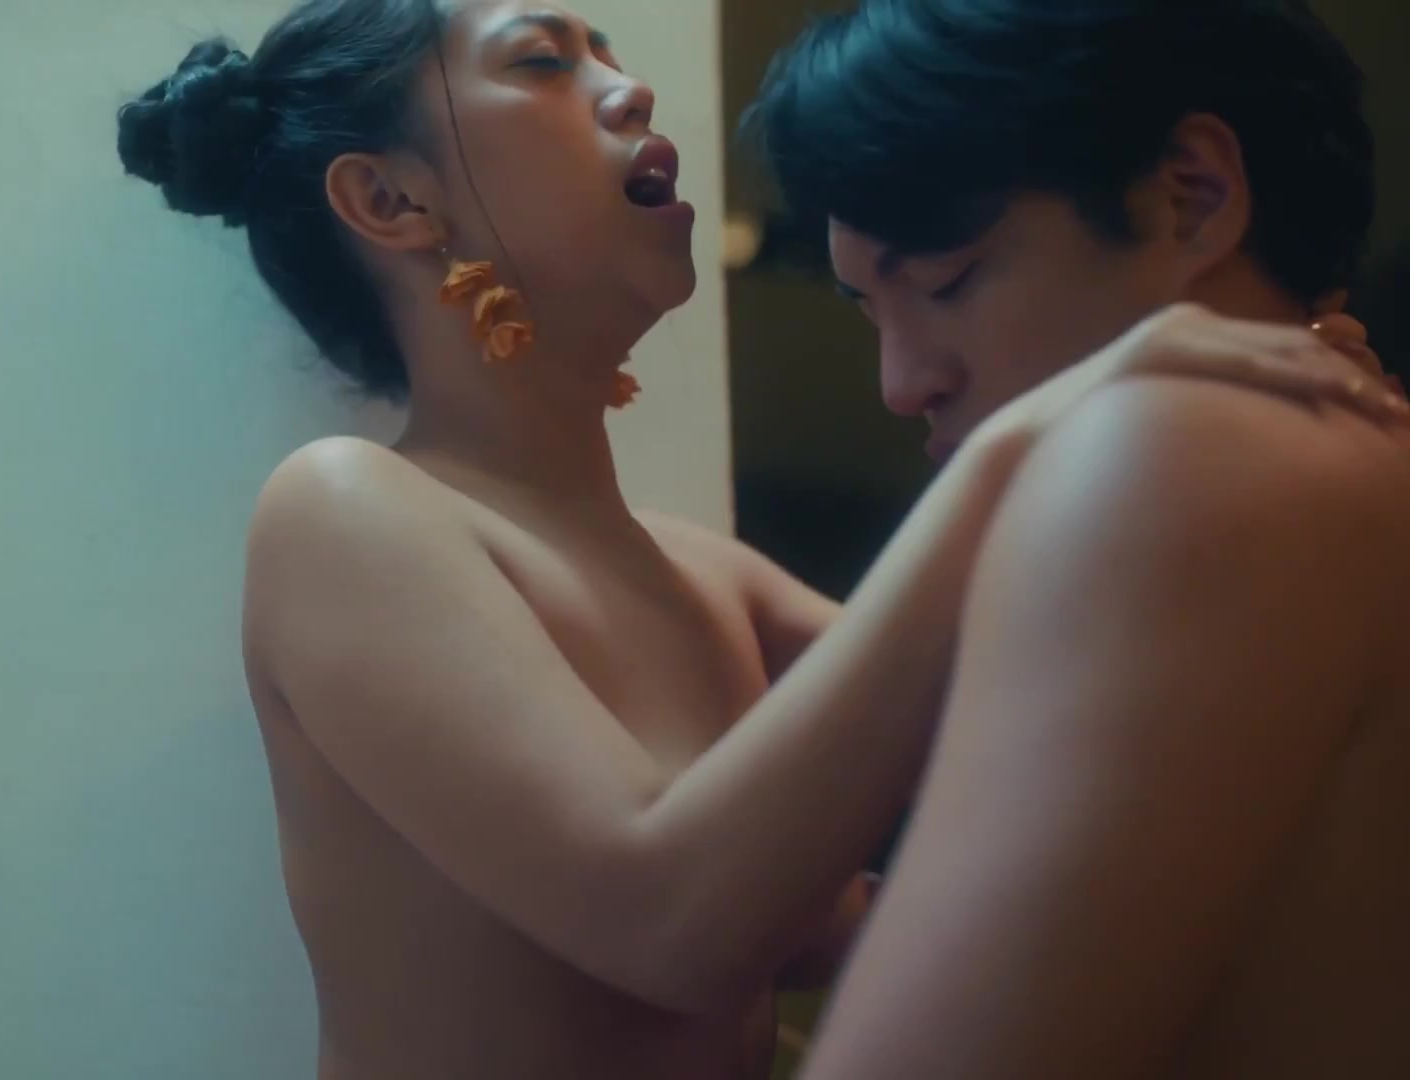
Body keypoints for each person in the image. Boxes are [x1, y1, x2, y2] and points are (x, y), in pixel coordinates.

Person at [119, 2, 1400, 1076]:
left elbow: (1100, 724)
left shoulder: (707, 573)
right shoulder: (347, 507)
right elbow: (670, 919)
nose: (628, 88)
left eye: (611, 51)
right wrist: (1025, 450)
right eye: (544, 61)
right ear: (389, 197)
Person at [746, 1, 1410, 1076]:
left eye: (950, 279)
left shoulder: (1178, 453)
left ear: (1191, 196)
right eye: (870, 309)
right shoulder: (1366, 457)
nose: (902, 382)